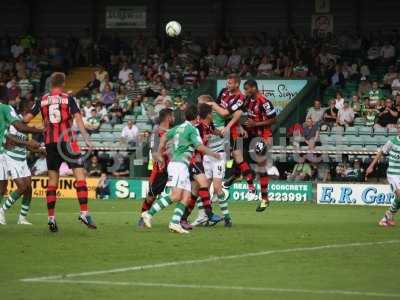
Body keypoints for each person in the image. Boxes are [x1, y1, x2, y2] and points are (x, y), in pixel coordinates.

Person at [141, 105, 221, 234]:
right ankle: (148, 214)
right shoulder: (192, 130)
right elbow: (199, 146)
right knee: (176, 196)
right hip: (179, 165)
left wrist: (160, 151)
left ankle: (174, 222)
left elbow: (164, 137)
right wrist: (213, 154)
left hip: (180, 165)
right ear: (197, 117)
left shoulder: (178, 127)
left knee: (186, 197)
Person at [40, 72, 95, 232]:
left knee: (52, 181)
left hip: (50, 142)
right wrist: (86, 138)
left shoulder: (43, 99)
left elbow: (31, 118)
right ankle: (84, 213)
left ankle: (51, 218)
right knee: (80, 176)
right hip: (67, 141)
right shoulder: (68, 98)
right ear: (63, 83)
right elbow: (77, 118)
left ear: (51, 84)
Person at [206, 73, 257, 201]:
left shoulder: (240, 98)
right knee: (227, 157)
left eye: (230, 83)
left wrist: (211, 104)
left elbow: (225, 113)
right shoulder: (224, 91)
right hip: (220, 129)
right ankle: (222, 184)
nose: (227, 85)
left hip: (230, 130)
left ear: (236, 84)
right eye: (227, 82)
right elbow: (221, 111)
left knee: (238, 158)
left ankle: (251, 189)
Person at [0, 100, 43, 225]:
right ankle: (2, 211)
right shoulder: (15, 122)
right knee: (22, 187)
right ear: (26, 111)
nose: (33, 115)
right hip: (11, 158)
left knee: (29, 189)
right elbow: (10, 139)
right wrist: (29, 143)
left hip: (22, 159)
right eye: (32, 111)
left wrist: (38, 150)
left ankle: (22, 218)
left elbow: (24, 144)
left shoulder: (25, 126)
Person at [241, 79, 277, 212]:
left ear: (254, 88)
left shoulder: (264, 102)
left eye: (247, 89)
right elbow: (243, 116)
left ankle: (265, 198)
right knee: (237, 155)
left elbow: (274, 119)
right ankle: (247, 181)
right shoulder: (247, 101)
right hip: (250, 136)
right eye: (244, 89)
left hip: (264, 136)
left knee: (261, 166)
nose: (246, 91)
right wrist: (243, 128)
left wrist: (255, 125)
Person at [138, 108, 174, 227]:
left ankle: (181, 219)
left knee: (185, 192)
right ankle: (143, 216)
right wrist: (161, 160)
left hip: (175, 167)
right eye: (172, 116)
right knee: (151, 197)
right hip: (161, 169)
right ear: (168, 117)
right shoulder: (157, 132)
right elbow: (154, 153)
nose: (174, 118)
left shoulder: (173, 131)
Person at [366, 130, 400, 227]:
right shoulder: (392, 142)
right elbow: (381, 152)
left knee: (399, 198)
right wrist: (371, 166)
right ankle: (386, 218)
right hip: (393, 174)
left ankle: (388, 217)